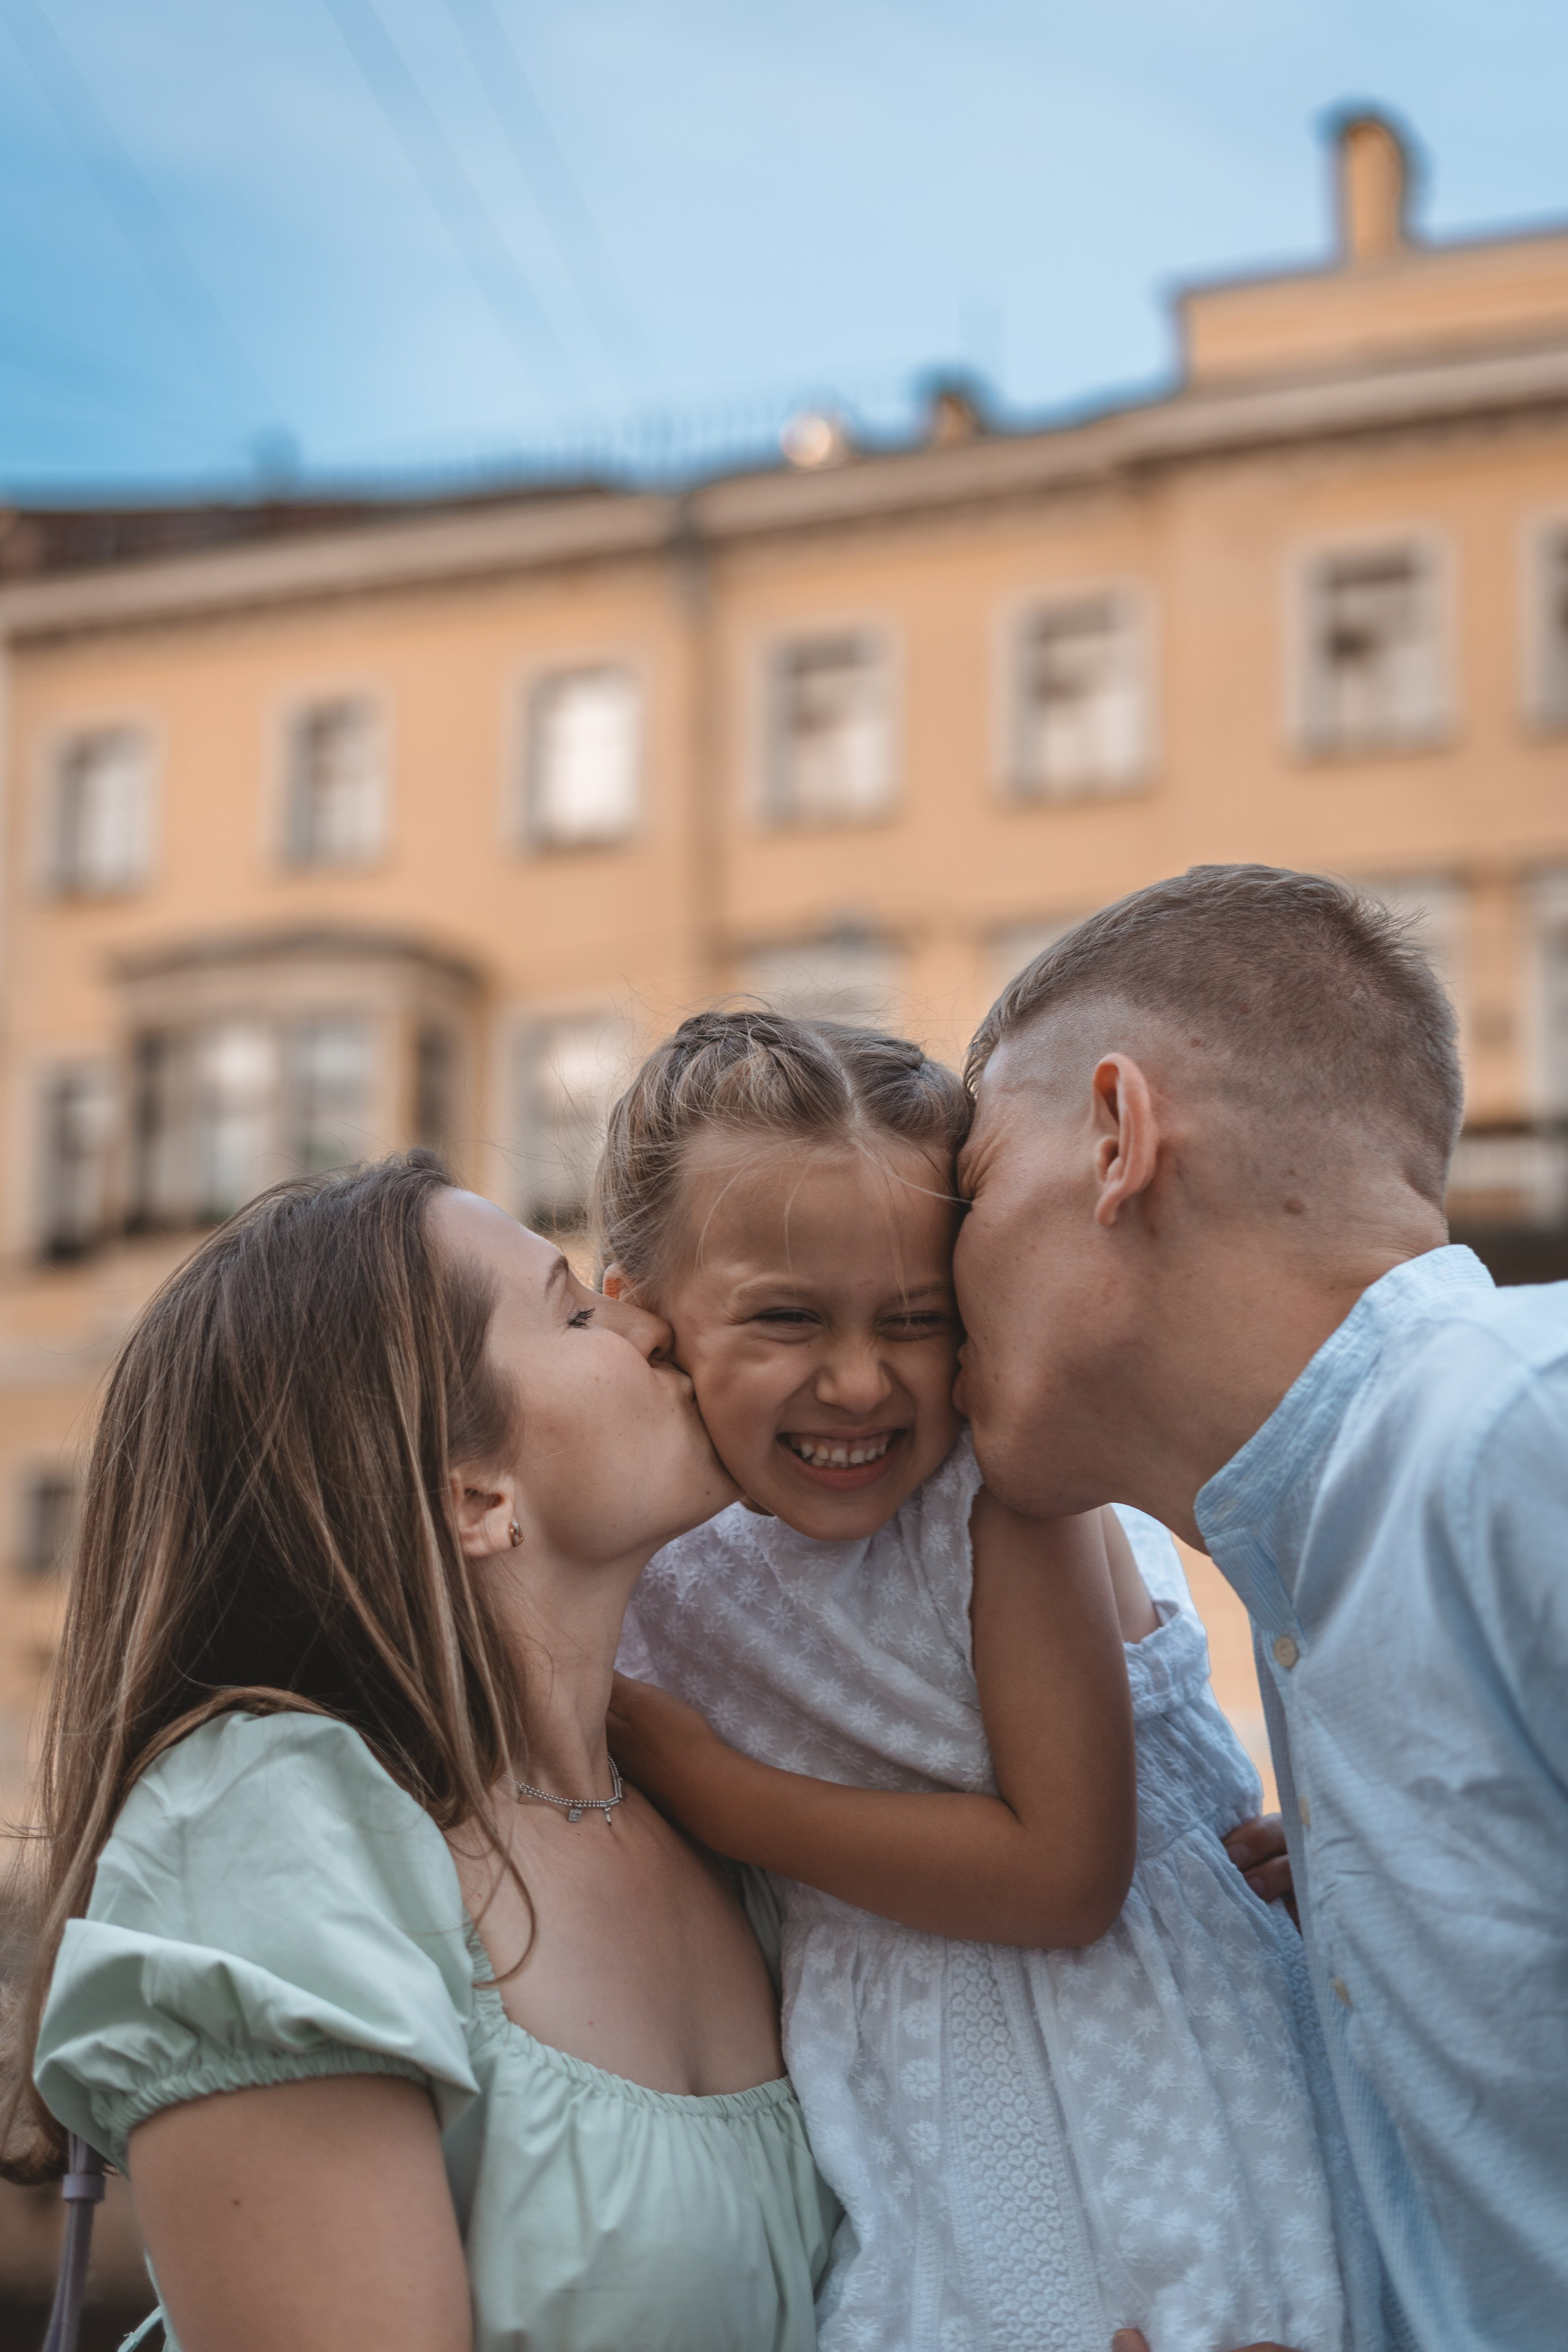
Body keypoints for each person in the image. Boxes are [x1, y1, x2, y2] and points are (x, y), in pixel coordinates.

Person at [603, 1010, 1384, 2352]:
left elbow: (1063, 1874)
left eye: (916, 1321)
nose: (857, 1382)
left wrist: (712, 1789)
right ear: (641, 1320)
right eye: (786, 1317)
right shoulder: (650, 1552)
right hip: (904, 2105)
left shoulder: (1002, 1487)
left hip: (1149, 2062)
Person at [3, 1153, 837, 2352]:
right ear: (472, 1494)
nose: (646, 1320)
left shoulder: (718, 1807)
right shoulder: (271, 1829)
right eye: (571, 1309)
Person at [956, 864, 1568, 2352]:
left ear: (1117, 1137)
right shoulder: (1335, 1561)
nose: (930, 1277)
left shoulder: (1516, 1431)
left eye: (964, 1194)